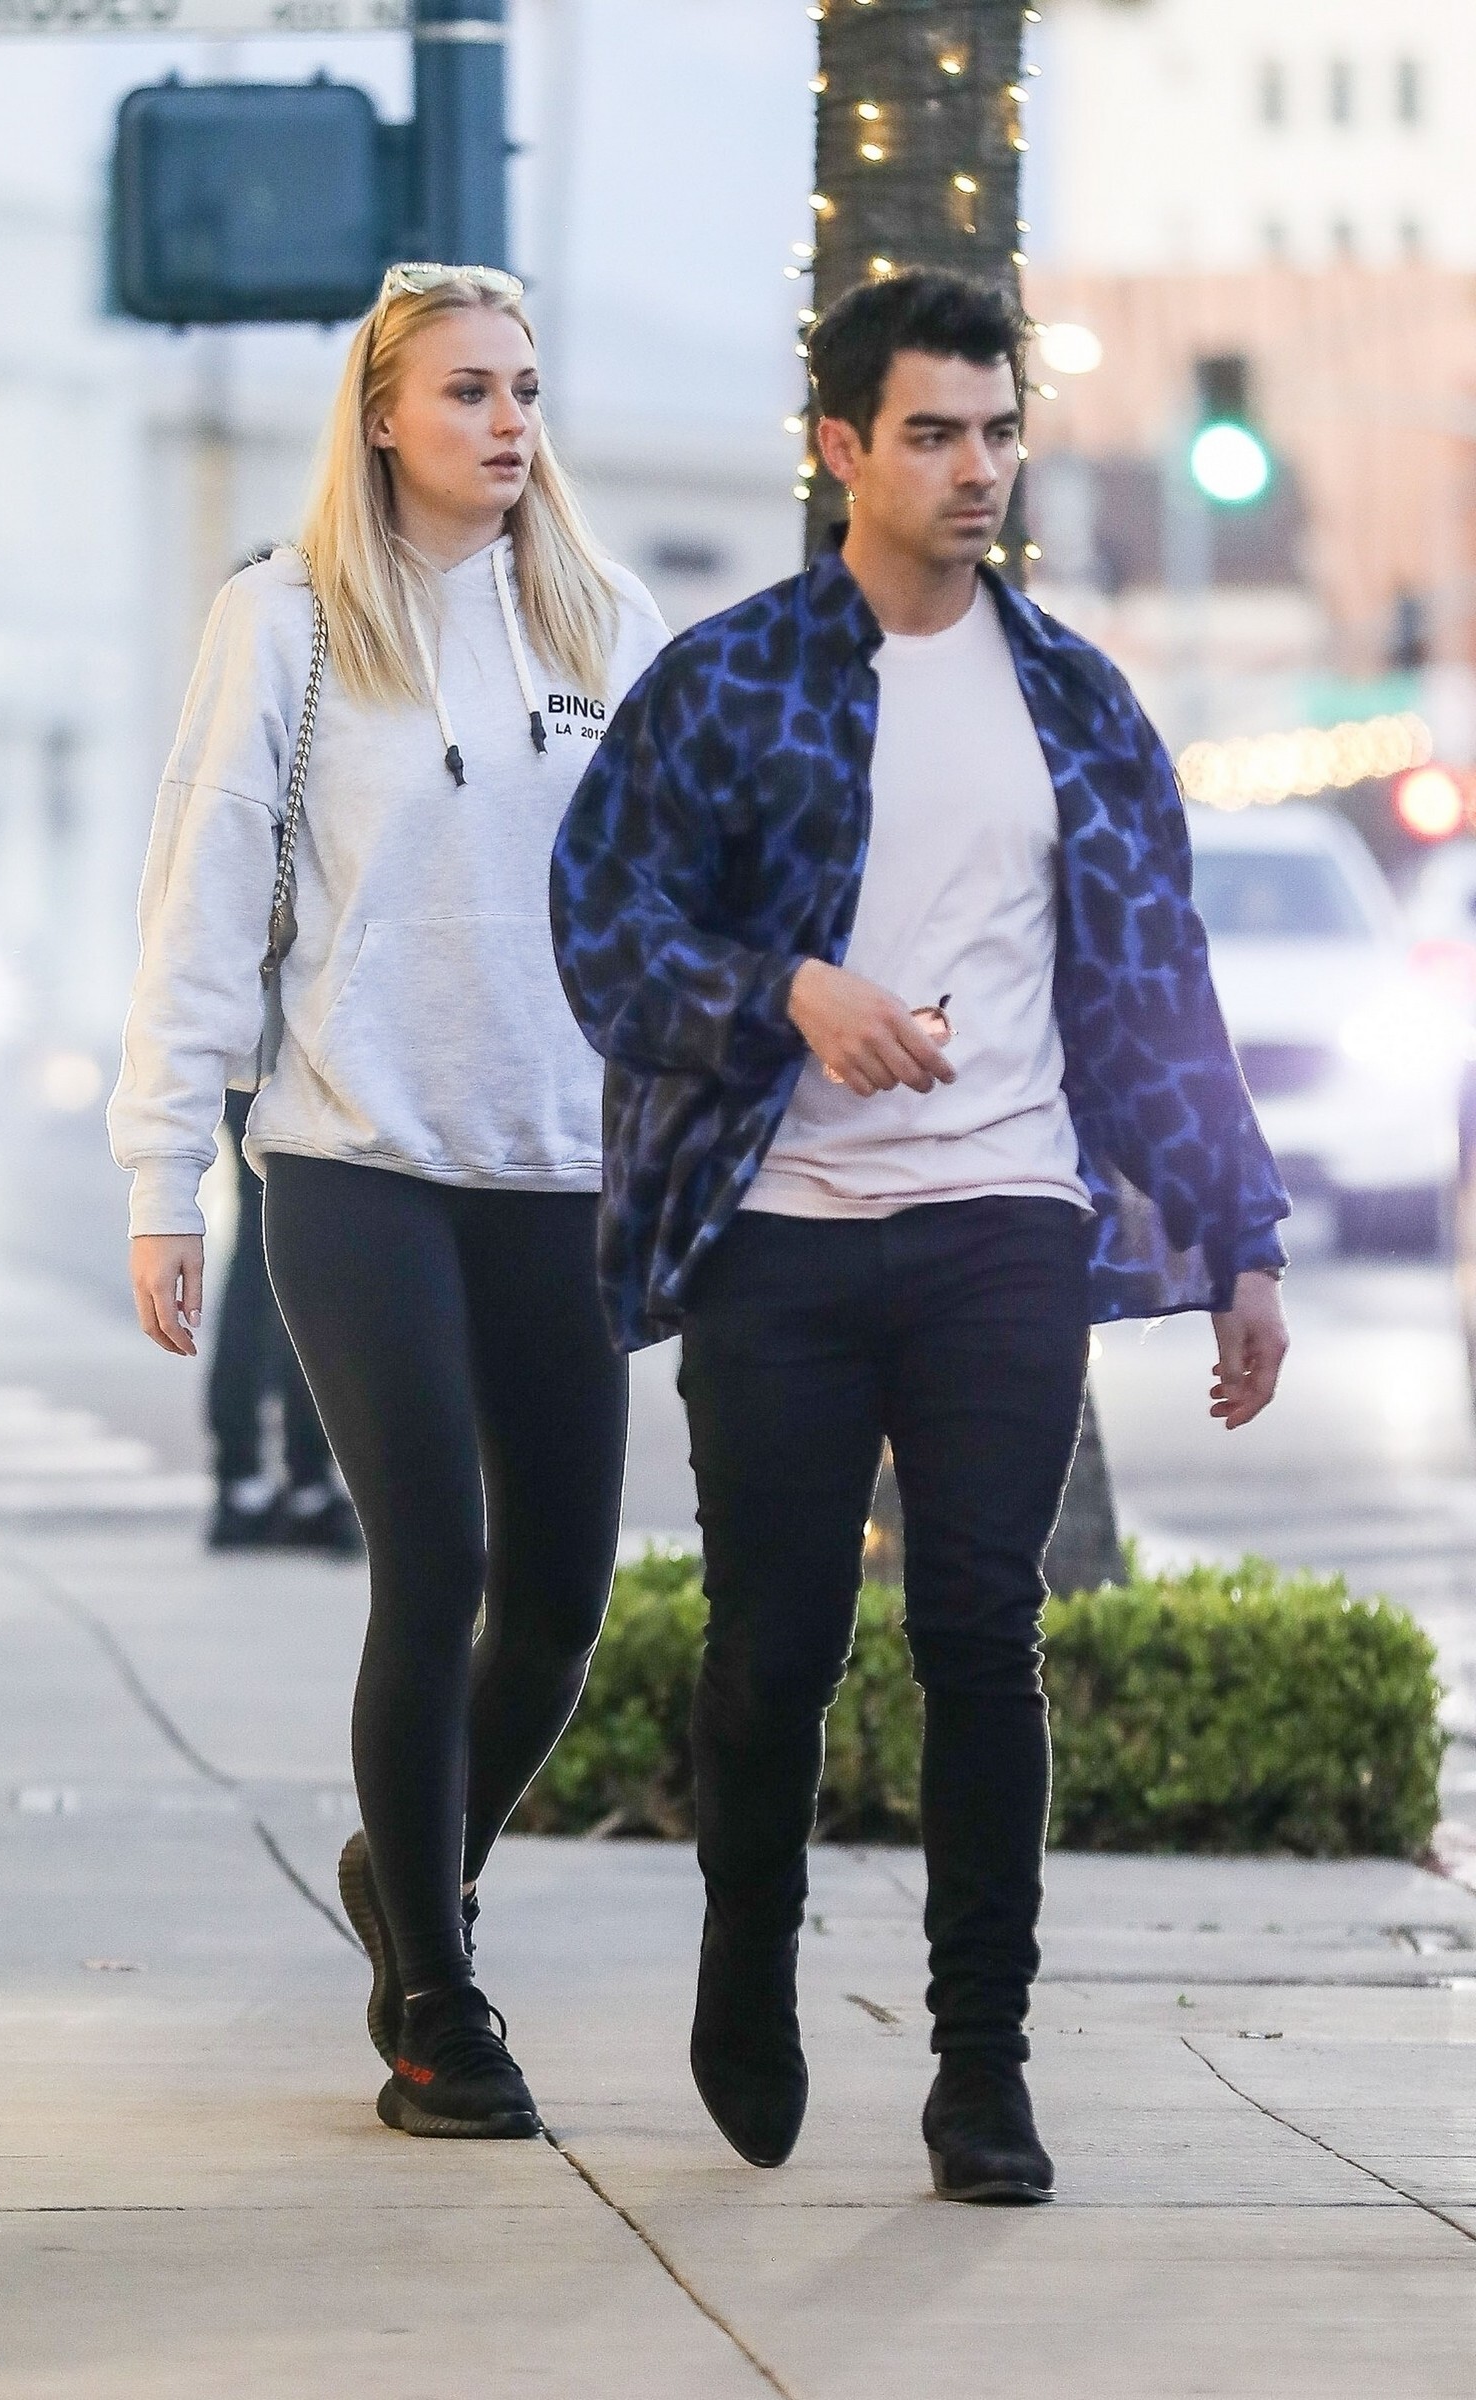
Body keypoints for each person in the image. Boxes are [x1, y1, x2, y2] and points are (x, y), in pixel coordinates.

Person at [551, 270, 1290, 2203]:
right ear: (842, 448)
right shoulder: (731, 682)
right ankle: (748, 1954)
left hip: (1002, 1222)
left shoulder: (1078, 701)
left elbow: (1159, 991)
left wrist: (1241, 1236)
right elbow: (603, 928)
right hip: (781, 1241)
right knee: (774, 1646)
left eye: (999, 432)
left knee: (982, 1630)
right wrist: (786, 992)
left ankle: (983, 2074)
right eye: (935, 433)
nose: (978, 469)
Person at [110, 261, 668, 2140]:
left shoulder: (606, 624)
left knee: (561, 1607)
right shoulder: (285, 622)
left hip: (561, 1171)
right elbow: (202, 897)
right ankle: (437, 2000)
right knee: (435, 1571)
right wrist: (163, 1171)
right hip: (357, 1163)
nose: (508, 422)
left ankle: (405, 1863)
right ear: (381, 416)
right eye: (467, 391)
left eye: (526, 389)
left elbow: (680, 908)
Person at [204, 1079, 361, 1555]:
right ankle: (304, 1485)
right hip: (302, 1069)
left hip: (256, 1072)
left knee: (261, 1256)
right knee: (305, 1262)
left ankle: (245, 1482)